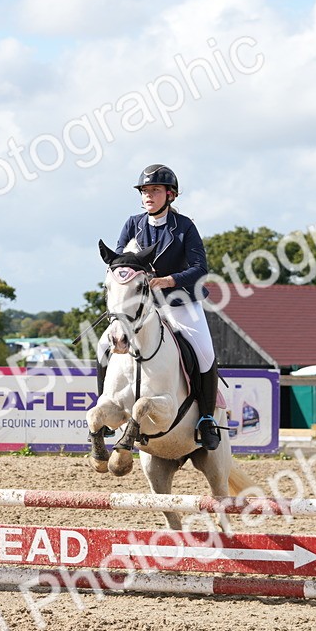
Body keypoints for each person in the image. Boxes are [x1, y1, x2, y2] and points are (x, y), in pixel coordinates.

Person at [97, 164, 222, 449]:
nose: (148, 196)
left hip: (180, 301)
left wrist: (169, 280)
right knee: (104, 344)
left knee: (204, 352)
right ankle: (105, 411)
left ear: (170, 195)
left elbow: (200, 268)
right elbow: (120, 263)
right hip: (141, 307)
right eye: (144, 191)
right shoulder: (133, 224)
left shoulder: (185, 227)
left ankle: (206, 418)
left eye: (154, 190)